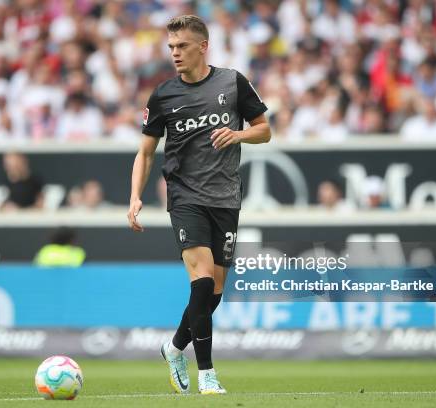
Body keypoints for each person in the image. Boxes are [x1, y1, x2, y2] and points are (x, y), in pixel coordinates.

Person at [127, 15, 270, 395]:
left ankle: (174, 348)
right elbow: (145, 152)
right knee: (202, 278)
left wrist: (238, 133)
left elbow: (264, 129)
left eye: (182, 46)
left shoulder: (232, 82)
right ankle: (206, 372)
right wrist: (135, 195)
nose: (175, 53)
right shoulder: (162, 96)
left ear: (202, 47)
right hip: (185, 196)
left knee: (215, 291)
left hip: (225, 197)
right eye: (171, 47)